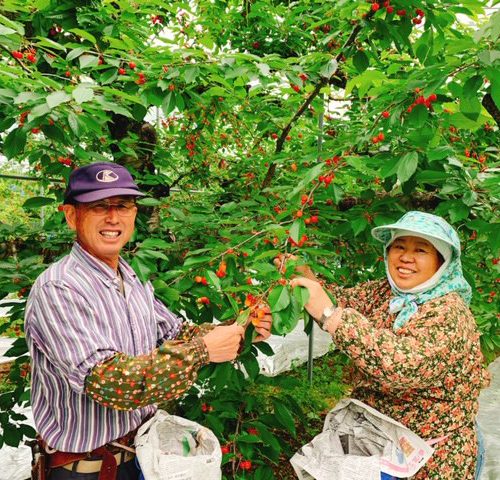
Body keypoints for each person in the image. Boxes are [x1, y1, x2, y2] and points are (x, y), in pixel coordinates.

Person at [24, 162, 272, 480]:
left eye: (123, 206)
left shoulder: (132, 278)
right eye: (98, 206)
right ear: (72, 215)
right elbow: (108, 381)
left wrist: (239, 330)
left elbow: (175, 333)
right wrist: (202, 350)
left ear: (134, 214)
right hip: (84, 470)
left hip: (141, 454)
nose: (113, 217)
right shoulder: (59, 289)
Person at [278, 211, 489, 479]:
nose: (406, 257)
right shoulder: (384, 294)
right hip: (382, 439)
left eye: (421, 250)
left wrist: (331, 316)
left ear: (441, 262)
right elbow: (340, 299)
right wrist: (307, 278)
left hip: (431, 458)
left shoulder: (448, 313)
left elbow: (402, 366)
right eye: (399, 246)